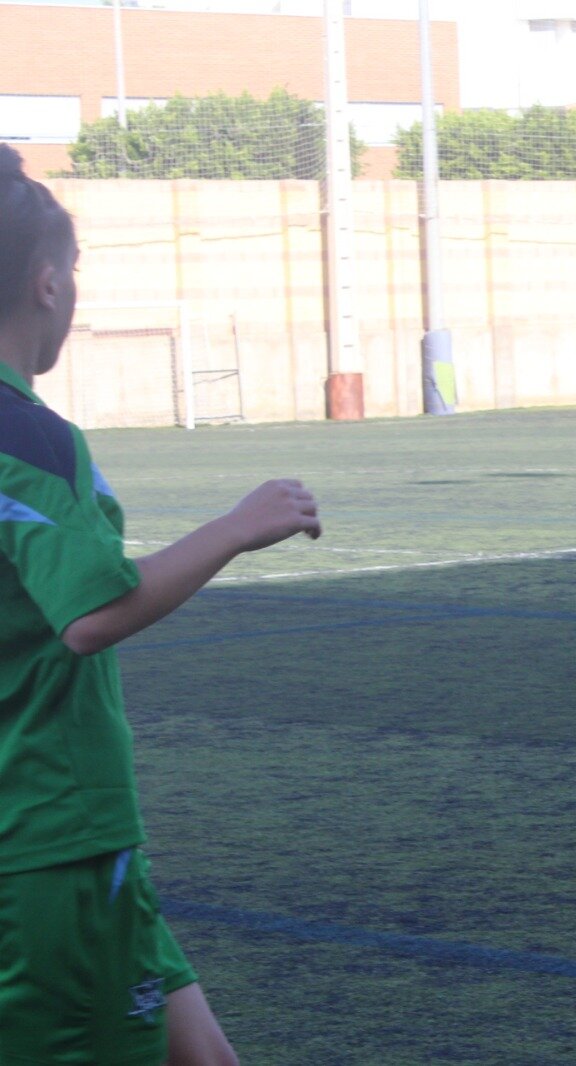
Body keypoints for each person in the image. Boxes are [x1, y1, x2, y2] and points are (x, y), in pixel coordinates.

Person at [0, 144, 322, 1065]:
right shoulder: (26, 435)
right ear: (50, 283)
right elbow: (92, 613)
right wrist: (235, 527)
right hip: (48, 838)